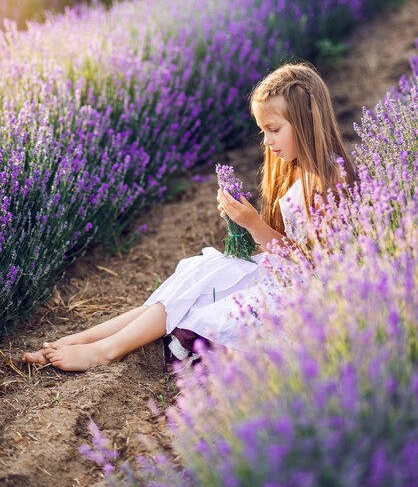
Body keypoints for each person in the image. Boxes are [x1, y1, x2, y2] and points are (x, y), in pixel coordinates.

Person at [22, 62, 356, 372]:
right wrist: (243, 225)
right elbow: (284, 249)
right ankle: (84, 340)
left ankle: (106, 350)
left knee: (210, 283)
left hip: (302, 293)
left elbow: (315, 265)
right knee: (204, 271)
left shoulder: (330, 179)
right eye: (262, 132)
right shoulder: (296, 170)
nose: (267, 142)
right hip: (281, 272)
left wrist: (253, 224)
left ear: (305, 122)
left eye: (273, 129)